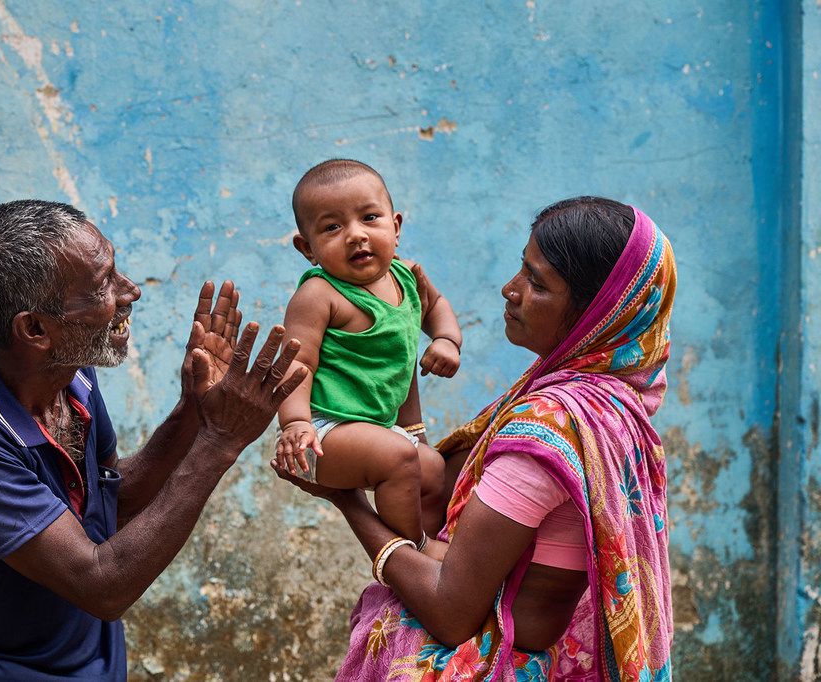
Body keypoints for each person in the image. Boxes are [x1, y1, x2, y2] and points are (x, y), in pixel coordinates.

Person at [274, 196, 675, 681]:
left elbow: (450, 611)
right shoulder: (615, 408)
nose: (510, 289)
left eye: (537, 283)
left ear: (599, 313)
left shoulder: (549, 431)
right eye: (520, 269)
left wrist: (347, 502)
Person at [0, 199, 305, 680]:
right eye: (102, 287)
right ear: (35, 329)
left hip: (95, 665)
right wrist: (219, 444)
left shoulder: (69, 375)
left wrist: (195, 411)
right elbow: (102, 585)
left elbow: (112, 500)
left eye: (115, 270)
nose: (130, 291)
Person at [275, 159, 463, 546]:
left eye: (369, 218)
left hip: (379, 431)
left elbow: (436, 305)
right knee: (398, 457)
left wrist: (445, 340)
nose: (355, 235)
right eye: (332, 227)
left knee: (431, 469)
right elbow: (297, 364)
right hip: (322, 433)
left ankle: (427, 537)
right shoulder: (319, 295)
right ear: (307, 248)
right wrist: (295, 423)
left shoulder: (406, 276)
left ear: (395, 227)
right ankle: (415, 551)